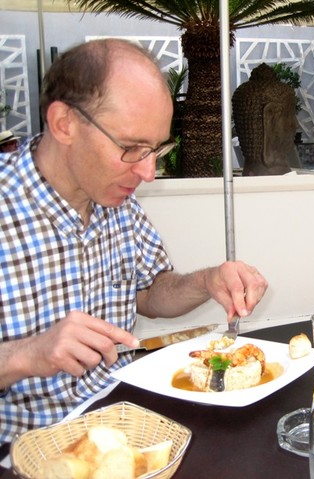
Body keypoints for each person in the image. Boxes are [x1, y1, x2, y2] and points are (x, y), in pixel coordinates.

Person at [0, 39, 268, 446]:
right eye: (130, 148)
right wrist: (28, 355)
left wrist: (207, 281)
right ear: (63, 124)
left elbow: (150, 293)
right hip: (26, 450)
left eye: (156, 149)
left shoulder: (117, 199)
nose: (148, 172)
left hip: (125, 431)